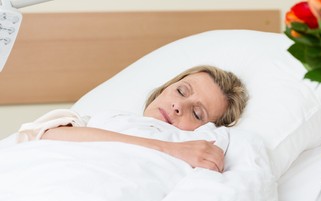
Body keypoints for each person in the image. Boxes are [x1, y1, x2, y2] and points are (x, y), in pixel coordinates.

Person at [40, 65, 248, 173]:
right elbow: (48, 135)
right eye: (181, 91)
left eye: (196, 113)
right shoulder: (107, 117)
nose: (178, 106)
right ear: (165, 88)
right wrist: (167, 149)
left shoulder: (197, 149)